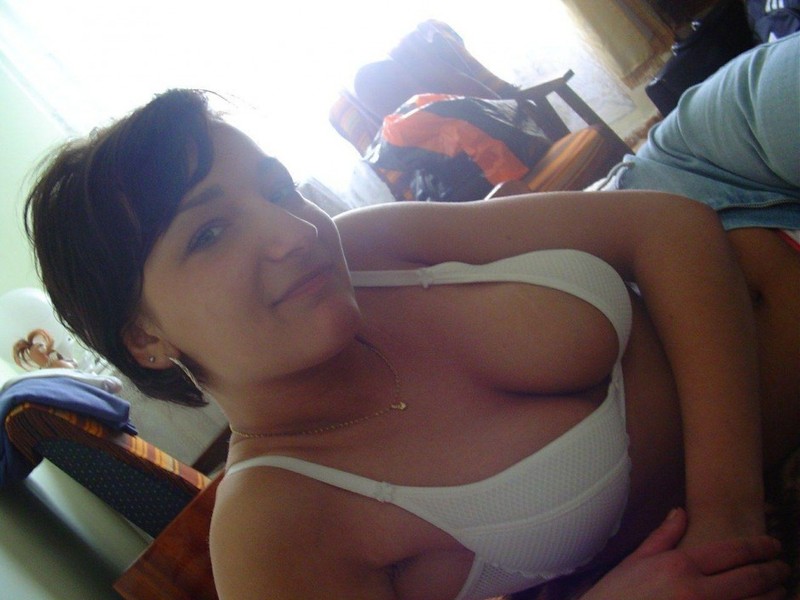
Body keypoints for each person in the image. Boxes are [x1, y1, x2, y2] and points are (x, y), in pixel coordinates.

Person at [22, 54, 796, 600]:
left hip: (726, 194)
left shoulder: (365, 248)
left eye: (277, 188)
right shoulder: (273, 528)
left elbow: (666, 225)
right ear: (144, 337)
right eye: (210, 234)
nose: (294, 232)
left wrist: (727, 506)